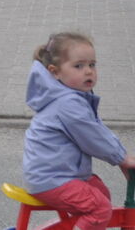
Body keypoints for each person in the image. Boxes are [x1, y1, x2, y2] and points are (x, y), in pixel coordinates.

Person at [23, 32, 135, 230]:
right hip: (53, 178)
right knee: (100, 208)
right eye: (79, 66)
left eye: (92, 64)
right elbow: (93, 137)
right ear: (55, 72)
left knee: (101, 193)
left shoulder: (74, 97)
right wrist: (122, 158)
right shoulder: (68, 103)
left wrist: (122, 157)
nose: (88, 71)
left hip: (61, 173)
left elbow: (98, 130)